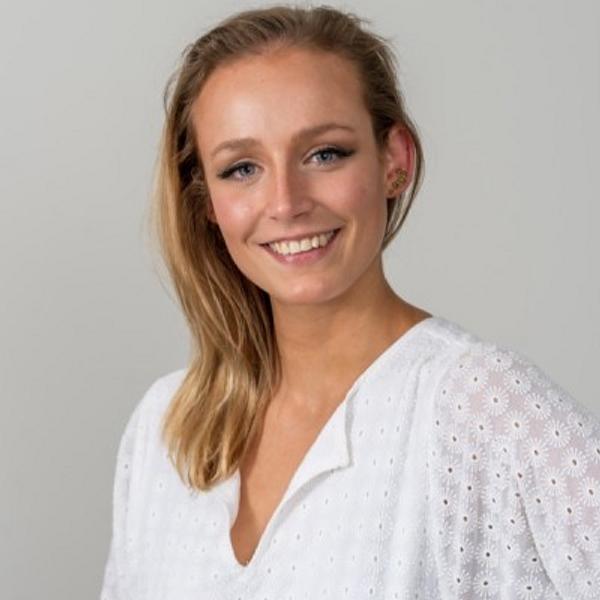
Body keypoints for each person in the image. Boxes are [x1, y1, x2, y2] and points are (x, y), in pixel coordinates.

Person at [100, 5, 600, 599]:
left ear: (395, 161)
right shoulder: (165, 427)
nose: (286, 203)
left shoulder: (480, 406)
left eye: (325, 154)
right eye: (242, 168)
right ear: (205, 200)